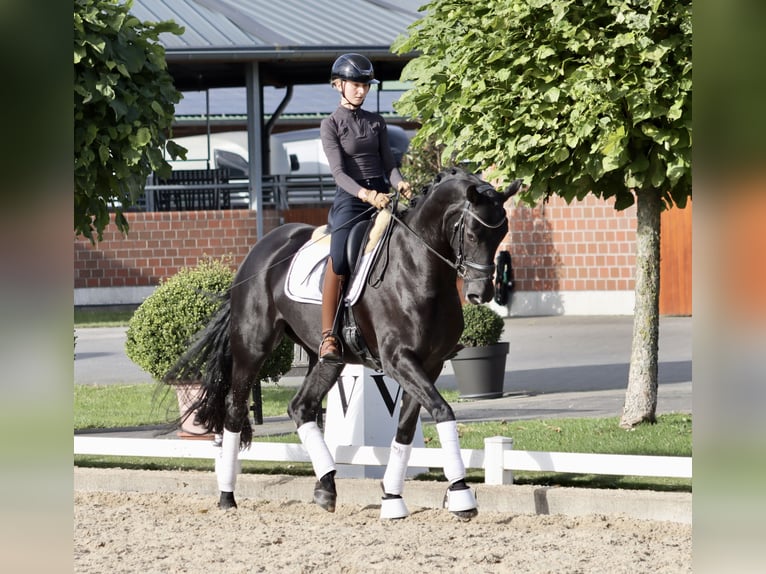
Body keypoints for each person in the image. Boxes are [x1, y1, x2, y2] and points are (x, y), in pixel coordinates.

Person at [318, 53, 412, 363]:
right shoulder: (330, 124)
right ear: (338, 85)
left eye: (365, 86)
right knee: (341, 255)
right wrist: (366, 195)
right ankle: (328, 336)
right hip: (351, 198)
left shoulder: (376, 121)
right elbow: (338, 174)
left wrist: (400, 183)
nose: (362, 90)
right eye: (356, 85)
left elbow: (389, 165)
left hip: (383, 195)